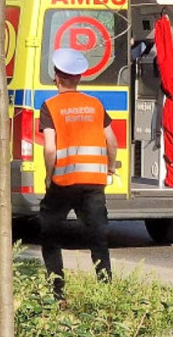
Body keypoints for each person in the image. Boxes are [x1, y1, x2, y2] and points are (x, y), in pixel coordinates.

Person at [39, 48, 118, 300]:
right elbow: (111, 142)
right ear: (79, 78)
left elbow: (50, 148)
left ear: (56, 77)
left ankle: (57, 291)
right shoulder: (95, 104)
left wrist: (48, 176)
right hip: (94, 183)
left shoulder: (50, 106)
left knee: (50, 235)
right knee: (97, 238)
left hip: (63, 182)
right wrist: (110, 166)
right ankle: (105, 291)